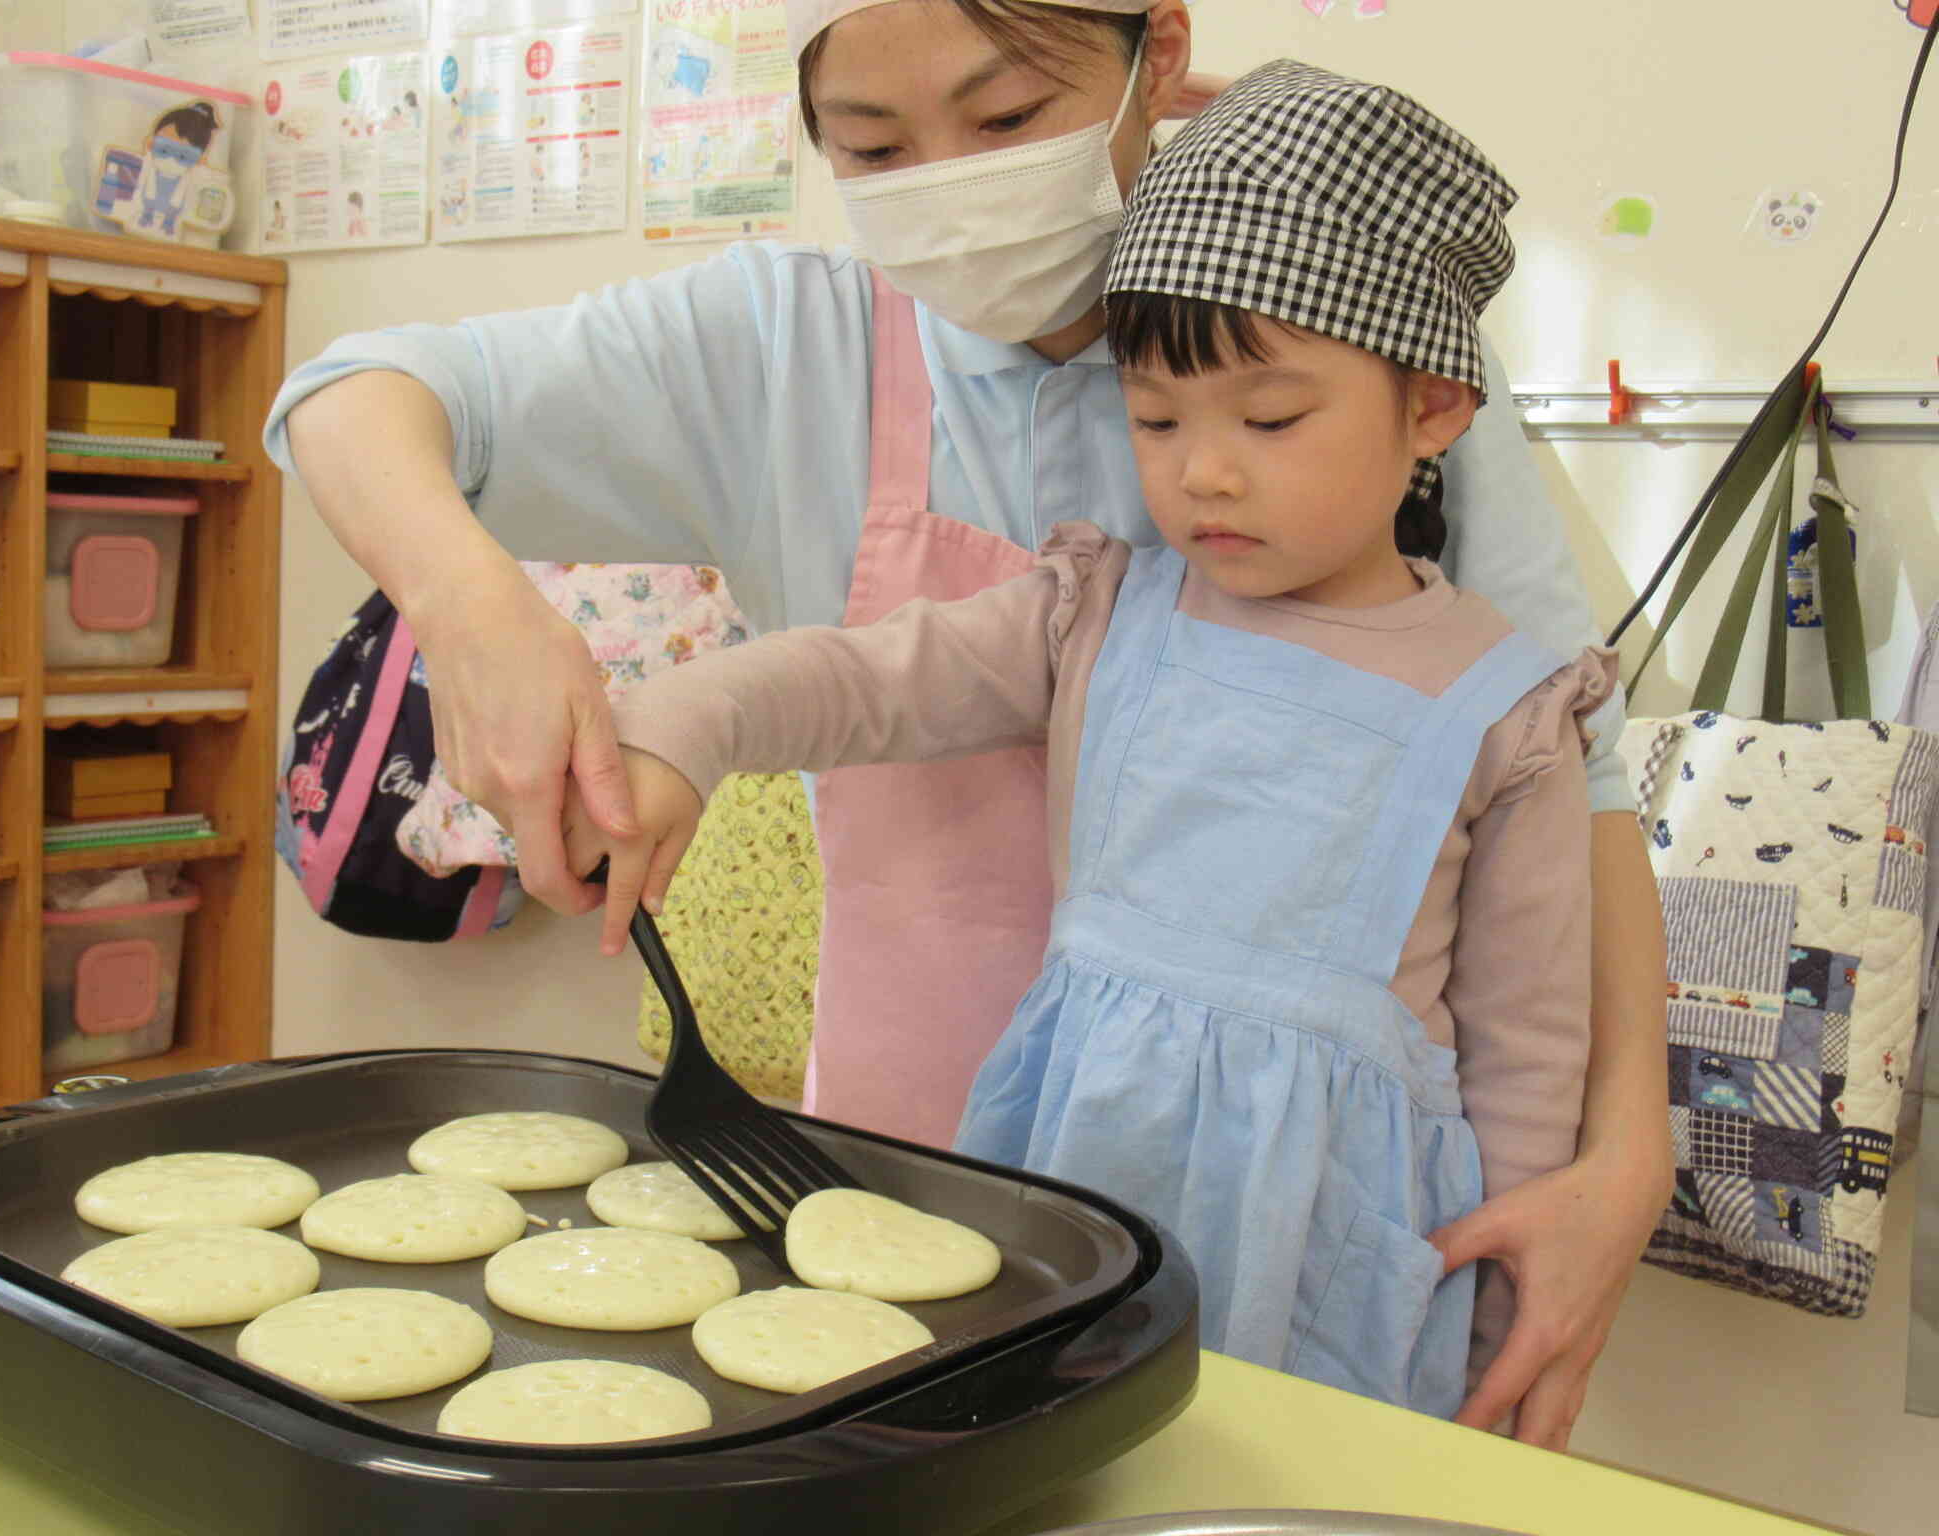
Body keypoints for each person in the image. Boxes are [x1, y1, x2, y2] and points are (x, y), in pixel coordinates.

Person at [265, 0, 1669, 1444]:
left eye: (1006, 123)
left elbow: (1569, 806)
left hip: (1322, 1206)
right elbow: (354, 396)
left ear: (1156, 57)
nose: (952, 181)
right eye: (873, 147)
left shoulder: (1333, 311)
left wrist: (1617, 1159)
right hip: (928, 1146)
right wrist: (488, 619)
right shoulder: (797, 353)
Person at [560, 59, 1603, 1418]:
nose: (1202, 470)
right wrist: (686, 723)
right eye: (1156, 417)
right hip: (1069, 1175)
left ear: (1433, 410)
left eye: (1271, 418)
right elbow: (866, 681)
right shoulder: (1099, 611)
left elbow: (1527, 1053)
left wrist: (1493, 1335)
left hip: (1335, 1242)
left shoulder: (1505, 709)